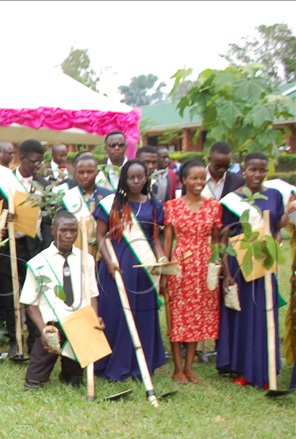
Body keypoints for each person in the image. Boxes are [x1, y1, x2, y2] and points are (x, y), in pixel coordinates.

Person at [218, 152, 295, 389]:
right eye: (253, 169)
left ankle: (264, 368)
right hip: (241, 265)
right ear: (244, 171)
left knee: (264, 317)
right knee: (243, 319)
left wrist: (287, 213)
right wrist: (226, 272)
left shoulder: (273, 194)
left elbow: (277, 227)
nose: (257, 174)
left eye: (262, 170)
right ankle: (243, 369)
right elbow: (224, 237)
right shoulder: (232, 199)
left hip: (265, 263)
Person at [94, 159, 167, 382]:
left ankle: (140, 365)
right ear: (124, 179)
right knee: (116, 316)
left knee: (142, 316)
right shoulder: (112, 204)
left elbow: (155, 238)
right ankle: (113, 364)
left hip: (144, 271)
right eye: (131, 177)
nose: (136, 181)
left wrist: (162, 260)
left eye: (140, 177)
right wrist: (108, 262)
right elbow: (100, 236)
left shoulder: (154, 205)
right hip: (117, 266)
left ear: (147, 178)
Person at [21, 210, 102, 390]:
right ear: (53, 230)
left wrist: (94, 319)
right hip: (52, 326)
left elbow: (92, 294)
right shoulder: (38, 263)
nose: (68, 235)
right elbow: (29, 303)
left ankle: (70, 371)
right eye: (63, 230)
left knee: (73, 381)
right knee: (33, 384)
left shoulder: (86, 260)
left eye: (73, 231)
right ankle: (43, 368)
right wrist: (44, 330)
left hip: (78, 324)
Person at [162, 159, 223, 385]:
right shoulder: (172, 206)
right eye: (194, 178)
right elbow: (168, 239)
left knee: (197, 315)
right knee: (178, 315)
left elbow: (216, 240)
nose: (199, 182)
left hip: (203, 266)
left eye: (202, 177)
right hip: (180, 264)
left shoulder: (214, 206)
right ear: (184, 180)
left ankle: (190, 366)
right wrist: (165, 269)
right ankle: (177, 367)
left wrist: (216, 265)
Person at [0, 139, 50, 360]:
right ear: (21, 158)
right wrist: (4, 220)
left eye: (40, 163)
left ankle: (34, 340)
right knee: (9, 294)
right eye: (33, 162)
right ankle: (15, 339)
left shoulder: (44, 185)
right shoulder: (3, 181)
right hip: (9, 246)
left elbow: (49, 219)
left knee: (33, 293)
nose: (37, 166)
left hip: (33, 246)